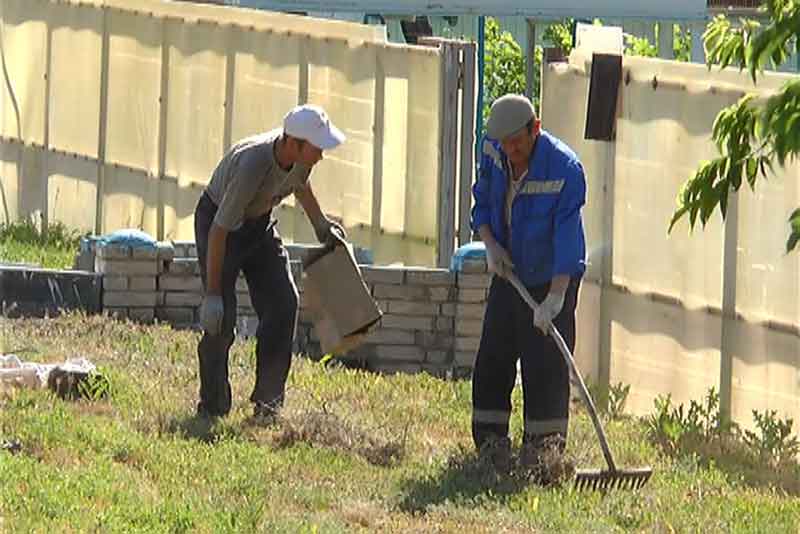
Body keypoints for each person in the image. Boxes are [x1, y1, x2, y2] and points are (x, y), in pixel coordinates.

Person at [194, 104, 346, 419]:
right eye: (317, 149)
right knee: (220, 322)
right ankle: (212, 406)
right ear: (293, 143)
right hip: (220, 223)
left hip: (258, 223)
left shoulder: (301, 159)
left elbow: (299, 184)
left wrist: (320, 223)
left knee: (283, 302)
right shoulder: (254, 164)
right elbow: (220, 229)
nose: (321, 156)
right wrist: (212, 295)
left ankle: (268, 403)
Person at [470, 94, 587, 477]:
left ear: (535, 129)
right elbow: (483, 199)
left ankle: (543, 458)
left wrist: (555, 299)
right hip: (509, 270)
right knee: (493, 358)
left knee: (546, 368)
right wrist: (489, 242)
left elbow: (568, 241)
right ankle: (490, 449)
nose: (511, 150)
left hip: (552, 278)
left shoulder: (565, 169)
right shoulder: (492, 150)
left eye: (517, 141)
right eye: (505, 143)